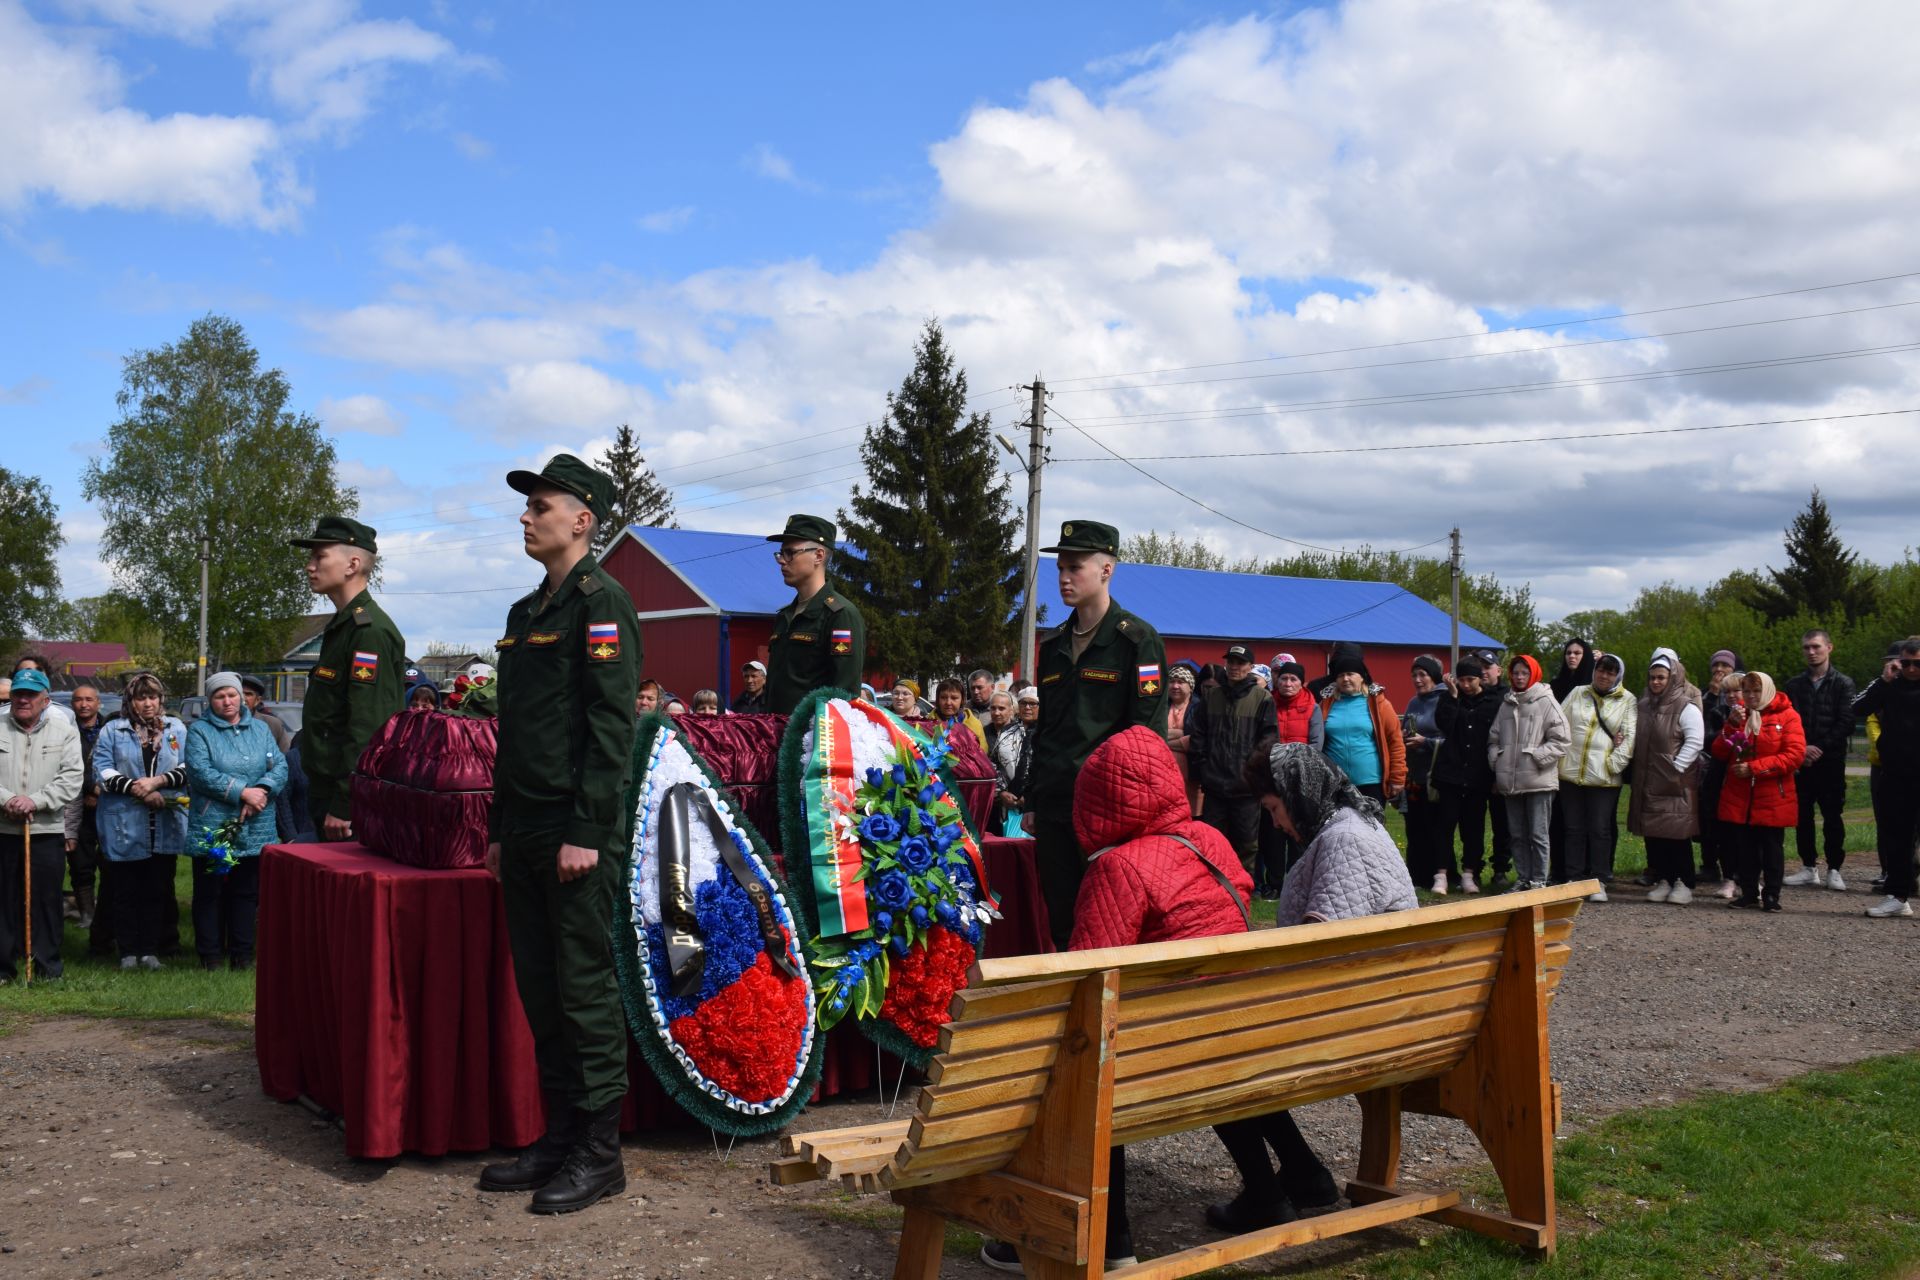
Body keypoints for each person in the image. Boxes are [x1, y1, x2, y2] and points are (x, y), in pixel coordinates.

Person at [979, 724, 1253, 1272]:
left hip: (1154, 1054)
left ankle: (1109, 1239)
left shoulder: (1118, 866)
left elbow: (1086, 977)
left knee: (1076, 1063)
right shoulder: (1209, 837)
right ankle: (1287, 1185)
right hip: (1235, 1030)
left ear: (1097, 798)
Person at [482, 453, 641, 1214]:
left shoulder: (601, 602)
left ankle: (598, 1154)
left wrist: (586, 828)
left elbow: (613, 728)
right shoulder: (525, 614)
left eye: (540, 506)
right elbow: (514, 732)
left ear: (581, 519)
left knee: (582, 990)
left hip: (576, 833)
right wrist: (499, 827)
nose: (526, 517)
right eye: (526, 507)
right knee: (542, 991)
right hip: (526, 826)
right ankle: (557, 1138)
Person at [1207, 740, 1416, 1227]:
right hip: (1392, 1003)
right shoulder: (1357, 822)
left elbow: (1318, 949)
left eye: (1274, 808)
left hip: (1359, 1020)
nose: (1276, 823)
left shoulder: (1344, 839)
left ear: (1297, 793)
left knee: (1215, 1048)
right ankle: (1302, 1173)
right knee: (1227, 1038)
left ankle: (1268, 1192)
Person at [1027, 520, 1168, 948]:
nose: (1064, 578)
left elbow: (1147, 736)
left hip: (1108, 810)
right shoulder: (1053, 646)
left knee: (1109, 922)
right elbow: (1045, 732)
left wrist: (1134, 809)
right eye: (1060, 569)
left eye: (1075, 568)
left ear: (1107, 570)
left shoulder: (1136, 642)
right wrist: (1033, 799)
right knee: (1063, 920)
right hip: (1055, 806)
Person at [289, 516, 407, 842]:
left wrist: (345, 801)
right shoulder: (343, 626)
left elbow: (370, 727)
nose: (309, 567)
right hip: (329, 790)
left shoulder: (369, 632)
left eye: (320, 557)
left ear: (352, 564)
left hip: (348, 801)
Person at [185, 672, 287, 971]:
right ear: (210, 701)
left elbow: (279, 765)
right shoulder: (200, 731)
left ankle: (242, 954)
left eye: (232, 695)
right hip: (215, 824)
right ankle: (211, 955)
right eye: (219, 696)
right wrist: (242, 792)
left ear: (241, 697)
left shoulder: (260, 729)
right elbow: (200, 772)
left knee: (246, 891)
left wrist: (263, 790)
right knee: (211, 891)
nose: (227, 701)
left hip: (256, 823)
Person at [93, 671, 189, 970]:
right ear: (130, 700)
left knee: (157, 888)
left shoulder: (176, 728)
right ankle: (127, 952)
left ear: (161, 699)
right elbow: (102, 770)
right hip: (124, 821)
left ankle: (150, 950)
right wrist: (139, 789)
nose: (147, 703)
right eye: (140, 697)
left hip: (164, 821)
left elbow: (189, 766)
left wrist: (158, 782)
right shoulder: (113, 730)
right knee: (124, 891)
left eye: (153, 697)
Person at [0, 668, 83, 982]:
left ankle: (48, 966)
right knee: (3, 900)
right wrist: (8, 799)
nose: (23, 699)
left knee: (47, 901)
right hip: (3, 829)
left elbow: (72, 778)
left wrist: (35, 800)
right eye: (18, 693)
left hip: (46, 830)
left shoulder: (64, 730)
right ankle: (3, 968)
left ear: (45, 699)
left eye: (31, 695)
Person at [1710, 670, 1804, 912]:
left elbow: (1793, 756)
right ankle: (1749, 893)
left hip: (1772, 794)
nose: (1751, 696)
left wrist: (1754, 769)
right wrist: (1729, 727)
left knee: (1771, 848)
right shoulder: (1739, 715)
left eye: (1756, 691)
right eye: (1747, 691)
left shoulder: (1788, 716)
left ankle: (1771, 895)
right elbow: (1720, 752)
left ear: (1768, 690)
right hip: (1741, 794)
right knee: (1745, 848)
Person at [1185, 644, 1278, 876]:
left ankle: (1242, 891)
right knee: (1211, 844)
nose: (1235, 667)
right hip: (1214, 785)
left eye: (1240, 663)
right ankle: (1211, 890)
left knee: (1246, 844)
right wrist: (1203, 770)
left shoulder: (1263, 698)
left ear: (1250, 667)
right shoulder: (1212, 696)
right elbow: (1198, 736)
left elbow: (1268, 741)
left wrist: (1252, 775)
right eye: (1231, 662)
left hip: (1246, 789)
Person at [764, 514, 865, 713]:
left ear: (818, 556)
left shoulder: (840, 615)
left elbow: (844, 694)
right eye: (780, 554)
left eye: (790, 553)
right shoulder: (785, 615)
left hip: (812, 738)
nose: (782, 561)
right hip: (774, 734)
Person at [1557, 653, 1637, 901]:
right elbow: (1559, 723)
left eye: (1610, 672)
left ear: (1618, 676)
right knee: (1573, 828)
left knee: (1600, 829)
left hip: (1604, 778)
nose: (1604, 675)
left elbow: (1629, 737)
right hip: (1570, 773)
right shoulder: (1578, 693)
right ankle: (1573, 878)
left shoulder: (1627, 700)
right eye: (1600, 670)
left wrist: (1612, 765)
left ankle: (1598, 880)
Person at [1628, 649, 1705, 905]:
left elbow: (1695, 741)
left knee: (1676, 834)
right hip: (1649, 780)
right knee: (1655, 834)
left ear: (1672, 677)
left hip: (1674, 782)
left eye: (1661, 677)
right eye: (1652, 678)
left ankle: (1683, 882)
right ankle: (1665, 878)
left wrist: (1676, 768)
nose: (1656, 682)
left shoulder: (1686, 706)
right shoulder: (1643, 706)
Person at [1488, 655, 1570, 890]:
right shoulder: (1506, 704)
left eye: (1524, 672)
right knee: (1516, 834)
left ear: (1533, 673)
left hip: (1538, 780)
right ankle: (1523, 878)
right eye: (1516, 673)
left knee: (1538, 834)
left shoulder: (1546, 701)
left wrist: (1536, 757)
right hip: (1511, 781)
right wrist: (1497, 760)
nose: (1520, 677)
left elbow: (1562, 739)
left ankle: (1539, 880)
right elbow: (1493, 739)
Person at [1782, 629, 1855, 892]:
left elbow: (1846, 721)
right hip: (1801, 761)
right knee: (1802, 815)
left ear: (1829, 648)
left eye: (1816, 647)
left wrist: (1818, 748)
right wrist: (1801, 749)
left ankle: (1834, 868)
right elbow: (1789, 721)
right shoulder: (1794, 685)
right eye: (1806, 648)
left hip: (1830, 761)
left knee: (1832, 815)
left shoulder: (1843, 684)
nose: (1811, 652)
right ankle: (1808, 866)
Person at [1854, 638, 1920, 918]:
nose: (1911, 669)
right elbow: (1856, 708)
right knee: (1897, 838)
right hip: (1895, 774)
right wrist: (1884, 680)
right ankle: (1897, 896)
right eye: (1906, 663)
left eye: (1918, 663)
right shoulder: (1887, 685)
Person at [1433, 657, 1507, 894]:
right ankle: (1441, 874)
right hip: (1450, 774)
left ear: (1480, 679)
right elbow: (1444, 725)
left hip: (1478, 775)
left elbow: (1497, 736)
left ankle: (1469, 873)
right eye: (1462, 680)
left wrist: (1495, 775)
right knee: (1445, 825)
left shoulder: (1494, 702)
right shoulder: (1448, 698)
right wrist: (1453, 697)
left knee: (1473, 828)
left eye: (1470, 680)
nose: (1465, 684)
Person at [1313, 643, 1405, 805]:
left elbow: (1395, 742)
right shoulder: (1325, 704)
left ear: (1362, 676)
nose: (1345, 679)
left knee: (1371, 828)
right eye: (1340, 675)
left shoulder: (1380, 704)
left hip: (1370, 782)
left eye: (1350, 674)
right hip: (1336, 782)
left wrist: (1397, 777)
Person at [1401, 655, 1453, 894]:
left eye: (1422, 675)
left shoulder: (1445, 699)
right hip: (1415, 774)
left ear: (1433, 676)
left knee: (1436, 826)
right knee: (1415, 826)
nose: (1418, 680)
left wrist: (1426, 742)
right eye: (1414, 675)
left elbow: (1453, 737)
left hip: (1438, 774)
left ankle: (1441, 873)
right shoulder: (1413, 703)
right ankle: (1416, 874)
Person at [1546, 637, 1596, 881]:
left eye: (1577, 652)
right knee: (1559, 818)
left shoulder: (1593, 687)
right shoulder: (1555, 685)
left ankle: (1587, 869)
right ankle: (1559, 868)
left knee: (1588, 820)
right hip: (1560, 760)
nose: (1572, 657)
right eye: (1568, 653)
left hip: (1586, 760)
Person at [1697, 649, 1743, 897]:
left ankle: (1747, 876)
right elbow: (1704, 734)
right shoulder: (1713, 702)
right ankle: (1716, 869)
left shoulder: (1751, 704)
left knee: (1742, 829)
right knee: (1714, 823)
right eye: (1715, 665)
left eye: (1725, 665)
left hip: (1743, 773)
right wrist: (1713, 695)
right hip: (1714, 770)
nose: (1719, 669)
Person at [65, 679, 107, 933]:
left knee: (110, 863)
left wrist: (100, 793)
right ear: (72, 704)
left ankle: (106, 914)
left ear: (98, 703)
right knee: (80, 863)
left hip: (107, 804)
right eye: (78, 700)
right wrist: (88, 790)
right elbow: (67, 768)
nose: (83, 704)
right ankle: (87, 916)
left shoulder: (111, 729)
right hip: (75, 806)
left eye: (89, 699)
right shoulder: (66, 731)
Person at [1165, 663, 1198, 811]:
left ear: (1190, 686)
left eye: (1180, 681)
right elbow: (1153, 732)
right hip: (1163, 775)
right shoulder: (1161, 707)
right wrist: (1182, 733)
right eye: (1172, 681)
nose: (1175, 686)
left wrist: (1163, 740)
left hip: (1191, 776)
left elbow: (1196, 739)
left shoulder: (1199, 708)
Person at [240, 675, 293, 752]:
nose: (243, 698)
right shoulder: (220, 723)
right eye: (239, 693)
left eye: (248, 694)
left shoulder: (272, 724)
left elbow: (286, 755)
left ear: (257, 700)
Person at [934, 678, 988, 750]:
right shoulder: (927, 723)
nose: (948, 702)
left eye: (954, 698)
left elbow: (982, 754)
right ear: (938, 699)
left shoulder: (974, 724)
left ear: (962, 700)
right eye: (943, 697)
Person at [983, 690, 1016, 761]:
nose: (996, 713)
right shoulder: (983, 732)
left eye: (1001, 708)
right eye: (993, 708)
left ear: (1011, 710)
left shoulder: (1020, 732)